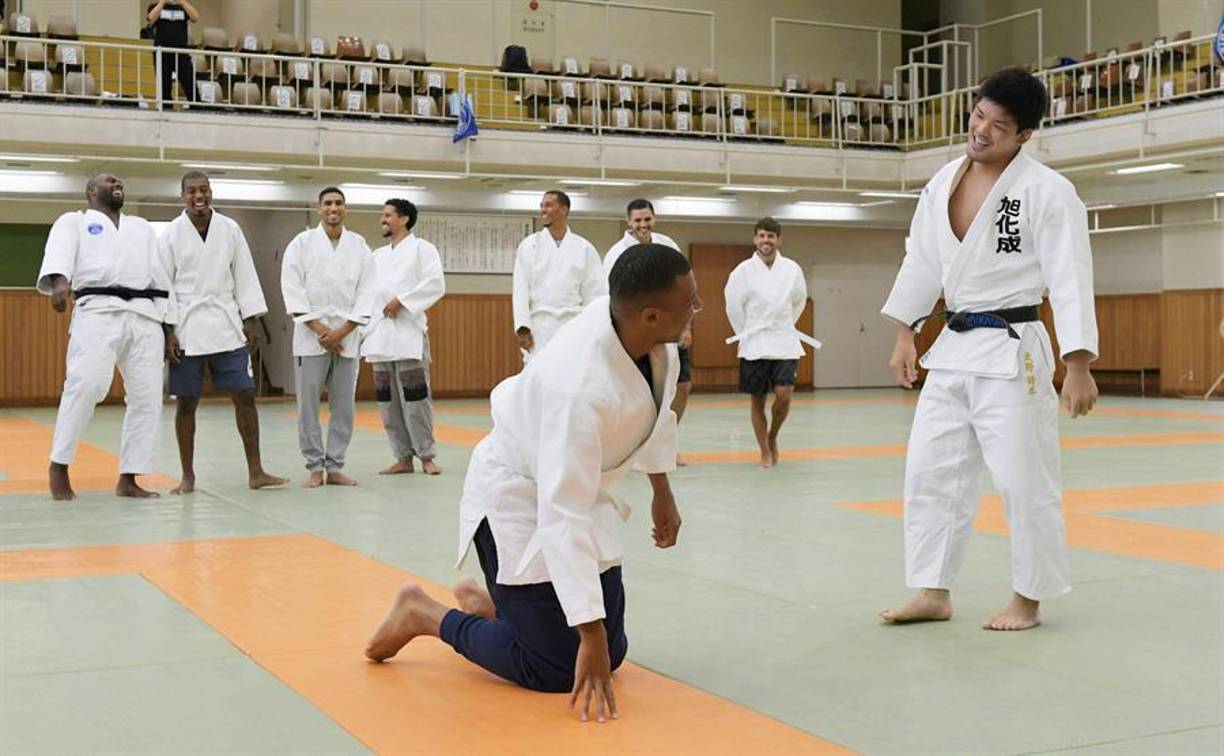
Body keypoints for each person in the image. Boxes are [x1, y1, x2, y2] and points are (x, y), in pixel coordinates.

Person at [366, 244, 699, 724]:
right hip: (518, 495)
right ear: (650, 315)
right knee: (555, 667)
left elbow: (655, 415)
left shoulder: (653, 342)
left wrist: (662, 492)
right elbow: (562, 514)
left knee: (614, 651)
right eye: (690, 303)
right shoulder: (576, 386)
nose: (696, 309)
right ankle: (424, 614)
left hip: (579, 486)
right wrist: (590, 636)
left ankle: (499, 612)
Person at [879, 67, 1099, 631]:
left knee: (1024, 479)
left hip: (1014, 348)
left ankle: (1028, 597)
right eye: (978, 115)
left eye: (998, 126)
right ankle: (933, 590)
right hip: (952, 347)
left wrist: (1077, 364)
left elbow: (1070, 277)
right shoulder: (942, 181)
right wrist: (905, 333)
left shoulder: (1048, 191)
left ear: (1024, 135)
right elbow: (921, 260)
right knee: (930, 472)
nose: (980, 130)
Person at [37, 173, 177, 501]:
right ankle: (59, 464)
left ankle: (129, 477)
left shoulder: (141, 228)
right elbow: (59, 253)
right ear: (91, 191)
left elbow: (160, 275)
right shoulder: (74, 222)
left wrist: (169, 327)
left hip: (145, 315)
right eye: (109, 181)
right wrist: (60, 282)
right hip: (97, 310)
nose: (117, 183)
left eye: (119, 182)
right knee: (86, 385)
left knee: (147, 397)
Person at [160, 171, 286, 494]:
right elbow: (163, 284)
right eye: (191, 191)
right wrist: (167, 331)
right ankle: (188, 476)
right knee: (186, 402)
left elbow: (244, 273)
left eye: (203, 190)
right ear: (182, 196)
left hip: (226, 322)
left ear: (211, 193)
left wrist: (251, 320)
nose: (198, 196)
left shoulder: (230, 229)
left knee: (244, 395)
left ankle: (256, 471)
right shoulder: (171, 233)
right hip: (187, 325)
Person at [280, 187, 377, 488]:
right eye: (328, 203)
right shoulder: (301, 243)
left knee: (344, 406)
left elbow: (368, 291)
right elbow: (292, 287)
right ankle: (314, 465)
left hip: (347, 336)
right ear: (319, 208)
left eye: (338, 203)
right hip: (311, 336)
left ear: (345, 208)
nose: (333, 208)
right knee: (308, 405)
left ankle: (335, 466)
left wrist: (342, 331)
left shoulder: (359, 246)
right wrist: (322, 330)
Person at [361, 199, 446, 476]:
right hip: (380, 336)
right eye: (383, 215)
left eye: (388, 215)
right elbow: (367, 292)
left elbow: (435, 284)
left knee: (416, 399)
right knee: (387, 402)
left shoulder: (423, 249)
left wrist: (403, 301)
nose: (383, 220)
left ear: (404, 219)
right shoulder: (377, 255)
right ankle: (402, 457)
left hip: (408, 334)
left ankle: (426, 455)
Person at [604, 198, 693, 464]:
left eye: (647, 219)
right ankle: (631, 451)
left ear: (654, 219)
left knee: (681, 386)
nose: (643, 225)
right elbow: (610, 300)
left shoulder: (668, 245)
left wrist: (686, 326)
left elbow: (685, 290)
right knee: (638, 393)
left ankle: (666, 444)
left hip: (670, 328)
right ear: (628, 222)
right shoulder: (616, 254)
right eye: (637, 221)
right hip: (636, 333)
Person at [723, 217, 809, 468]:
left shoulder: (792, 269)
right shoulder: (742, 271)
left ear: (778, 240)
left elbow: (799, 301)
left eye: (770, 236)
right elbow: (733, 306)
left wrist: (784, 324)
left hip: (783, 338)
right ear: (755, 239)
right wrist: (746, 332)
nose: (766, 240)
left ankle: (773, 435)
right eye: (761, 236)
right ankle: (764, 450)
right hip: (755, 341)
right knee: (757, 399)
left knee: (784, 394)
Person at [511, 190, 605, 363]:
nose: (543, 210)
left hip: (573, 323)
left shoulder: (584, 248)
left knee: (572, 370)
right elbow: (520, 289)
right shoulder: (530, 246)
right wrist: (522, 326)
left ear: (563, 210)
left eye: (548, 205)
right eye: (541, 206)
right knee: (539, 372)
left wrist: (593, 328)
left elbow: (595, 294)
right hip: (540, 324)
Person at [145, 0, 199, 105]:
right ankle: (166, 108)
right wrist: (162, 3)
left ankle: (196, 107)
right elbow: (150, 19)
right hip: (162, 52)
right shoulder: (156, 6)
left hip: (180, 51)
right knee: (164, 84)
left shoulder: (183, 7)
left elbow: (195, 17)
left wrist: (182, 2)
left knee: (189, 81)